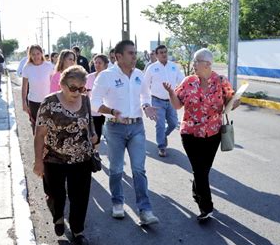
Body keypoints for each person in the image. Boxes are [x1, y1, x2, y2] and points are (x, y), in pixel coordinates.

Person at [163, 48, 239, 221]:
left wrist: (235, 102)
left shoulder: (221, 81)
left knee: (203, 170)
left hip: (213, 134)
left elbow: (231, 101)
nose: (194, 64)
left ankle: (197, 193)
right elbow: (177, 106)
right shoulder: (188, 81)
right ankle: (207, 208)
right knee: (199, 170)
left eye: (197, 61)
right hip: (190, 134)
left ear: (207, 64)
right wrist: (171, 93)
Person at [91, 40, 160, 225]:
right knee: (116, 169)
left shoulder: (139, 74)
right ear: (118, 56)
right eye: (130, 53)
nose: (134, 56)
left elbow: (145, 95)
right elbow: (94, 102)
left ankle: (145, 210)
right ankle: (117, 203)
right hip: (115, 128)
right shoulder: (106, 76)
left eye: (135, 52)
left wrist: (146, 106)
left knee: (139, 169)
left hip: (137, 126)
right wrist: (112, 111)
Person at [33, 65, 98, 245]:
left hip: (81, 158)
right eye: (73, 87)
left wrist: (93, 137)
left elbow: (89, 125)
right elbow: (39, 135)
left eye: (81, 88)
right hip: (54, 159)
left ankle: (78, 231)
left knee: (80, 197)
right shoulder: (49, 103)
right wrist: (38, 161)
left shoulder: (85, 100)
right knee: (55, 194)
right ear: (62, 84)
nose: (77, 92)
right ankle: (58, 216)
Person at [143, 45, 185, 157]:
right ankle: (161, 146)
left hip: (172, 100)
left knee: (173, 123)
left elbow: (182, 82)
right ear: (156, 55)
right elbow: (145, 86)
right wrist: (146, 103)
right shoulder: (151, 68)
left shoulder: (174, 67)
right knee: (160, 124)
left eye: (165, 52)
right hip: (157, 101)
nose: (164, 54)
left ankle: (163, 135)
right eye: (161, 52)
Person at [21, 44, 54, 133]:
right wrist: (24, 102)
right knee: (36, 127)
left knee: (48, 127)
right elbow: (24, 86)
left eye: (38, 53)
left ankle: (46, 146)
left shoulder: (49, 66)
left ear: (42, 53)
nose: (36, 56)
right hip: (33, 101)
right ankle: (38, 146)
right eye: (33, 54)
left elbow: (53, 84)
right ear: (30, 55)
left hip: (47, 101)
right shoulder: (27, 67)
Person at [85, 54, 109, 150]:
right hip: (92, 111)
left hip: (105, 110)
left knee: (99, 133)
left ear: (105, 64)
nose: (97, 65)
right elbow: (84, 93)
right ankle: (93, 154)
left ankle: (95, 154)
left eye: (100, 63)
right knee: (93, 134)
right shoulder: (89, 77)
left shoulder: (109, 77)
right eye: (96, 62)